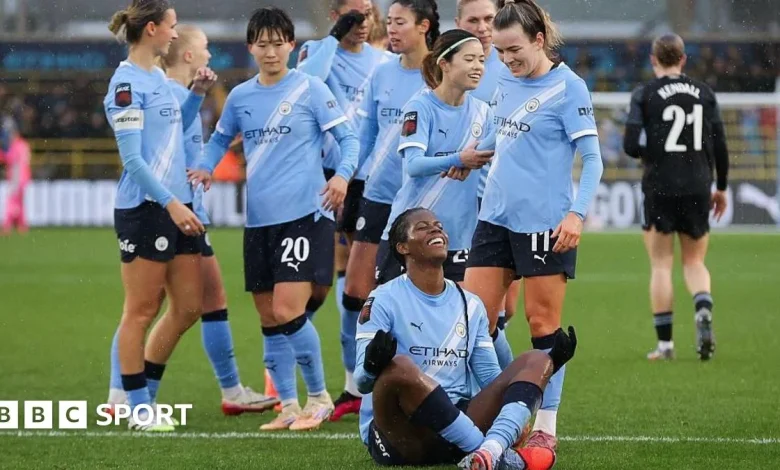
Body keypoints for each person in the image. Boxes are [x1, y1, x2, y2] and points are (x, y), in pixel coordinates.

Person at [189, 7, 359, 431]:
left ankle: (318, 398)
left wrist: (341, 176)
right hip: (259, 221)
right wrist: (206, 166)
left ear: (291, 46)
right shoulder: (241, 97)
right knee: (268, 317)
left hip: (304, 215)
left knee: (287, 309)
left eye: (277, 43)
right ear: (251, 47)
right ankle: (288, 405)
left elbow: (349, 139)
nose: (270, 52)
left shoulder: (311, 89)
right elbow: (219, 140)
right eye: (262, 44)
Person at [104, 24, 278, 417]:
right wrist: (182, 201)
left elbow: (185, 152)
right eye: (205, 47)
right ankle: (129, 394)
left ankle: (129, 393)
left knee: (178, 305)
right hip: (169, 210)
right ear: (187, 55)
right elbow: (155, 158)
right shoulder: (157, 90)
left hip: (183, 208)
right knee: (158, 305)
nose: (210, 54)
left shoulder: (179, 94)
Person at [464, 0, 604, 465]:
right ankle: (509, 408)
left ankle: (545, 427)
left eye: (514, 50)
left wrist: (576, 215)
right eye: (500, 52)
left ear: (539, 40)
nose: (506, 60)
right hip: (494, 218)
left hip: (545, 224)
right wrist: (472, 154)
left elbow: (593, 160)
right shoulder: (504, 80)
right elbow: (501, 135)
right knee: (475, 322)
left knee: (543, 328)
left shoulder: (569, 88)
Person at [354, 207, 579, 469]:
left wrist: (549, 366)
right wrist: (372, 365)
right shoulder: (383, 299)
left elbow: (491, 379)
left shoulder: (471, 304)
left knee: (536, 358)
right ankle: (498, 459)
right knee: (399, 368)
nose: (435, 229)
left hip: (456, 429)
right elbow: (362, 382)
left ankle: (490, 451)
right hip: (403, 435)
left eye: (438, 226)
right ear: (403, 247)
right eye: (423, 227)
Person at [103, 0, 217, 432]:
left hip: (176, 204)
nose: (175, 33)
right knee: (141, 310)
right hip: (146, 208)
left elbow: (174, 126)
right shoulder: (126, 84)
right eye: (171, 26)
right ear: (151, 29)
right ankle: (136, 406)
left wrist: (197, 94)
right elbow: (133, 160)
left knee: (188, 307)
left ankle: (143, 397)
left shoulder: (157, 78)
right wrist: (171, 202)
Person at [339, 0, 439, 421]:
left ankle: (426, 383)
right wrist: (348, 177)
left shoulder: (440, 73)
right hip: (377, 195)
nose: (391, 29)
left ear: (424, 26)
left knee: (425, 295)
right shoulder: (381, 72)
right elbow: (365, 136)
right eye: (390, 22)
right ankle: (354, 384)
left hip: (422, 199)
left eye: (400, 22)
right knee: (356, 291)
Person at [296, 0, 391, 420]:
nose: (361, 23)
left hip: (367, 178)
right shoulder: (317, 53)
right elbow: (304, 85)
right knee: (322, 281)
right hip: (326, 176)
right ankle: (283, 358)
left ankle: (357, 381)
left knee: (359, 279)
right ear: (335, 16)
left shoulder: (384, 61)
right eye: (352, 16)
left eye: (367, 14)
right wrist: (334, 38)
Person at [623, 33, 728, 362]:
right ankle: (703, 306)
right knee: (694, 262)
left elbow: (630, 145)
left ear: (653, 59)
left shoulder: (645, 93)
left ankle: (666, 346)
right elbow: (720, 144)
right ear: (683, 59)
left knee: (661, 265)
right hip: (698, 184)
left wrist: (653, 152)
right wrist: (721, 187)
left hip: (660, 186)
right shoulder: (704, 93)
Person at [375, 29, 493, 287]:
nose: (478, 67)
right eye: (469, 59)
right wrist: (459, 159)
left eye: (481, 60)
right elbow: (414, 165)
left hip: (457, 238)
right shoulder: (420, 108)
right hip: (411, 236)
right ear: (444, 64)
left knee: (460, 311)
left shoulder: (484, 113)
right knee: (395, 312)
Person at [454, 0, 519, 370]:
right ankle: (492, 388)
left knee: (503, 311)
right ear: (457, 22)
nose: (482, 27)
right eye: (473, 20)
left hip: (504, 202)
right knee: (473, 310)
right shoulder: (446, 67)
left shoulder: (514, 68)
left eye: (489, 19)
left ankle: (505, 387)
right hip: (456, 201)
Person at [0, 116, 30, 235]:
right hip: (24, 177)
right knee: (20, 202)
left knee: (11, 201)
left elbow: (10, 160)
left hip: (16, 176)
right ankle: (22, 226)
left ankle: (7, 226)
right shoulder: (24, 145)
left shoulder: (15, 146)